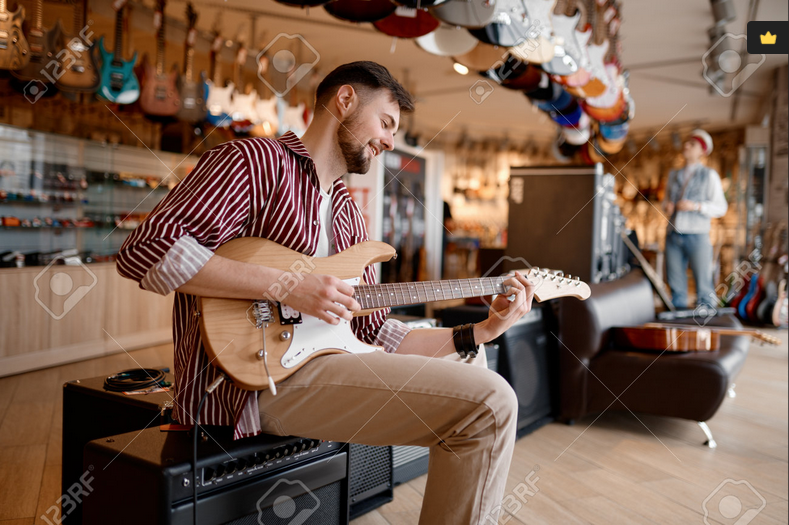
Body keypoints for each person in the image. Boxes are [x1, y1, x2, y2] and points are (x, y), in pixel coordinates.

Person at [116, 61, 535, 525]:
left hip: (330, 367)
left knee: (474, 365)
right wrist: (288, 285)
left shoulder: (351, 218)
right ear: (345, 100)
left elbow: (376, 335)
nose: (390, 141)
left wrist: (483, 329)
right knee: (492, 403)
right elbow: (146, 250)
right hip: (248, 390)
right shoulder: (253, 162)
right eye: (386, 123)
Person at [663, 129, 728, 309]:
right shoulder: (673, 174)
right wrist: (667, 206)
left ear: (702, 151)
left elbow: (720, 207)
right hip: (672, 233)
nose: (686, 146)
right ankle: (678, 321)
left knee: (703, 284)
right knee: (675, 283)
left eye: (692, 144)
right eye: (687, 142)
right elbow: (664, 202)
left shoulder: (709, 175)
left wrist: (696, 206)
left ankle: (705, 322)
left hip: (697, 235)